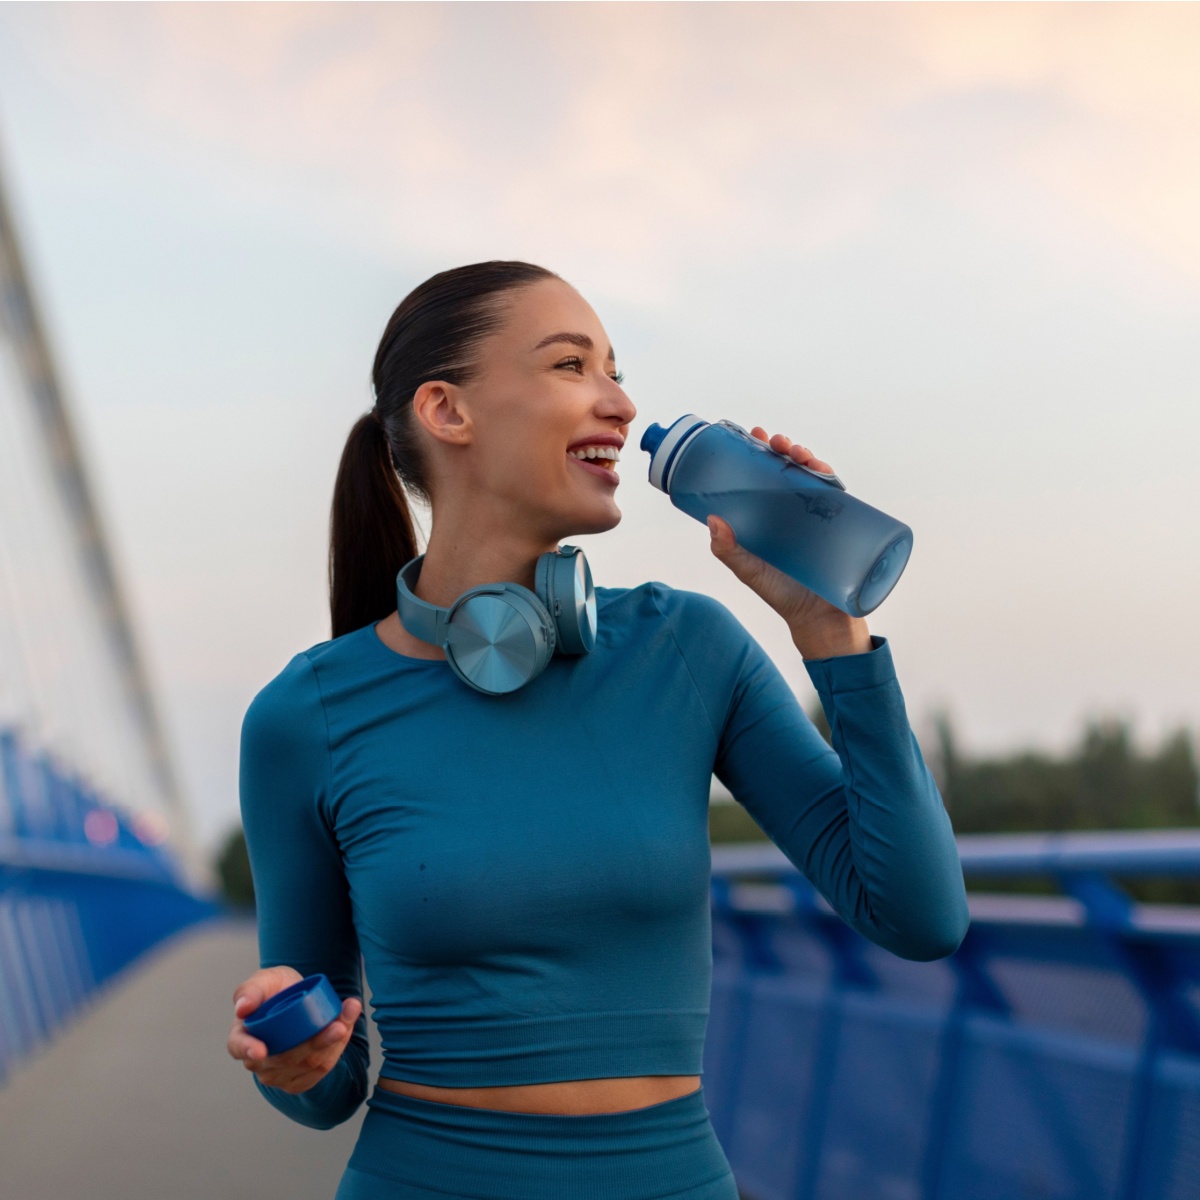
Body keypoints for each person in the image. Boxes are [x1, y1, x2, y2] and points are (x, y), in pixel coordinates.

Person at [226, 260, 969, 1200]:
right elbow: (325, 1089)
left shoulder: (688, 649)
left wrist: (832, 632)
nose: (619, 402)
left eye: (614, 368)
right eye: (572, 365)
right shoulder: (306, 716)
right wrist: (291, 1061)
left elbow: (921, 916)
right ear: (446, 411)